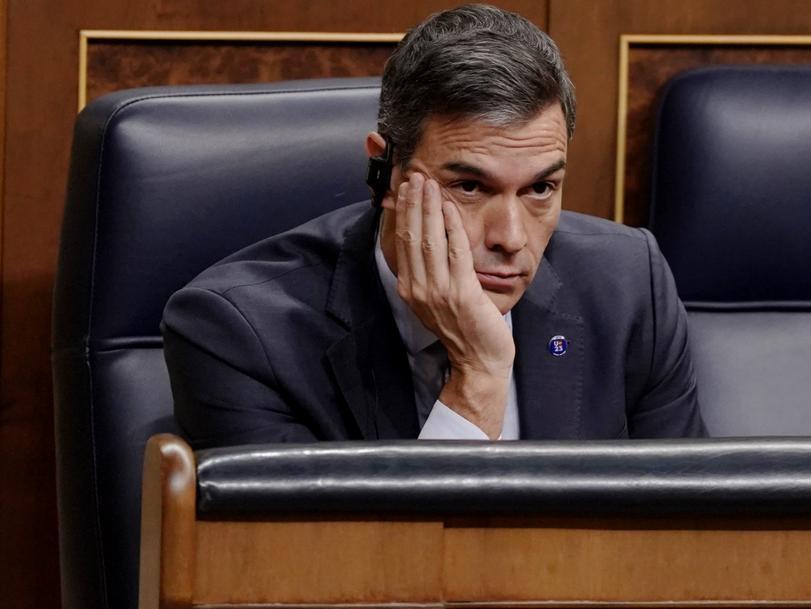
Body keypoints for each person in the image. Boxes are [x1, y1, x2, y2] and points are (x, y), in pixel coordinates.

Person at [162, 4, 707, 447]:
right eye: (470, 187)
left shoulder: (628, 285)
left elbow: (688, 533)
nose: (511, 238)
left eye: (540, 188)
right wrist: (478, 375)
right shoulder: (240, 333)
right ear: (385, 172)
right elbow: (322, 573)